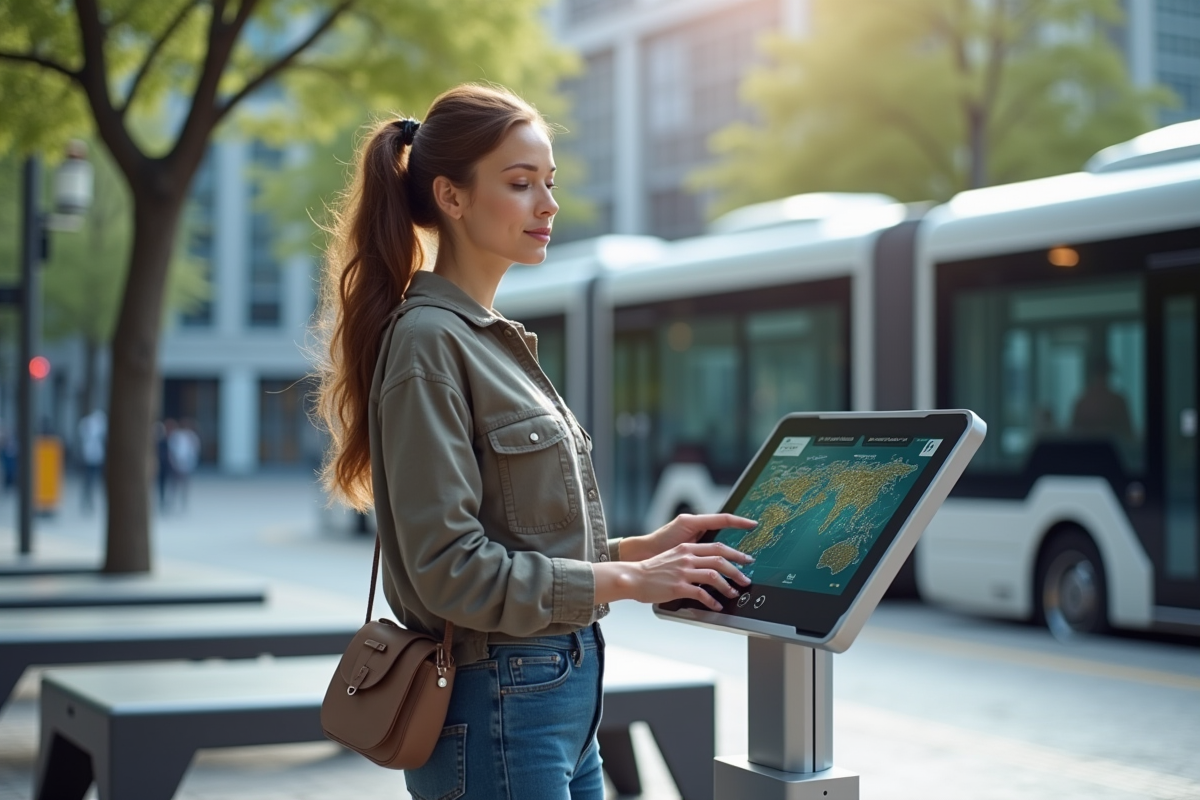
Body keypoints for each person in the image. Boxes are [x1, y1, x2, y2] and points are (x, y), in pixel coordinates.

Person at [314, 84, 757, 800]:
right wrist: (628, 582)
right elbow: (449, 570)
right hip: (499, 702)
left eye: (549, 183)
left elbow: (520, 547)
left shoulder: (490, 341)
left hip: (555, 699)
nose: (548, 205)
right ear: (451, 198)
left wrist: (639, 551)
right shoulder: (429, 343)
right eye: (520, 185)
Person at [77, 408, 106, 512]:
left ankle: (88, 501)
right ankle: (86, 501)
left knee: (90, 481)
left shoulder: (96, 426)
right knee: (88, 481)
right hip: (90, 457)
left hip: (94, 457)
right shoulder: (88, 425)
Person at [168, 419, 201, 510]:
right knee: (174, 483)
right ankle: (172, 501)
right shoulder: (177, 436)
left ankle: (183, 502)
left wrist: (191, 462)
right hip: (177, 463)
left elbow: (194, 451)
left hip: (187, 463)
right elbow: (172, 450)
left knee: (184, 484)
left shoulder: (192, 437)